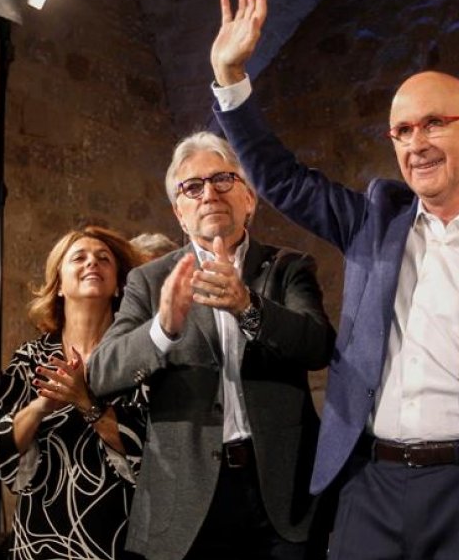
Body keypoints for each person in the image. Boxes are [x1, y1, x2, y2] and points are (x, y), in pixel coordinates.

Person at [208, 0, 459, 560]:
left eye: (433, 123)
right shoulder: (376, 220)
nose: (415, 143)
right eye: (401, 131)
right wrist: (230, 78)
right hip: (369, 485)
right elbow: (282, 178)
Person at [88, 131, 336, 560]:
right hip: (186, 497)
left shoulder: (286, 267)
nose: (209, 194)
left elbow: (317, 345)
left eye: (223, 179)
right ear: (179, 214)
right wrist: (162, 328)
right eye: (193, 186)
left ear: (249, 199)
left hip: (279, 491)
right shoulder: (148, 282)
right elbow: (101, 373)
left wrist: (248, 306)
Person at [0, 226, 147, 560]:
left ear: (117, 286)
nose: (92, 264)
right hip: (42, 534)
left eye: (104, 259)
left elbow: (150, 446)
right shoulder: (30, 358)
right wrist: (41, 406)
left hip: (121, 534)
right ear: (58, 285)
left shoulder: (137, 355)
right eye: (79, 257)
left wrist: (86, 403)